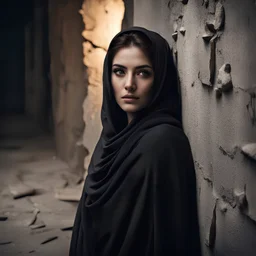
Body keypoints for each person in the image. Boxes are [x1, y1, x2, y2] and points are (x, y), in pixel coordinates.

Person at [69, 26, 202, 256]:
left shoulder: (163, 143)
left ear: (160, 78)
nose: (129, 84)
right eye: (119, 71)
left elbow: (169, 237)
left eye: (143, 73)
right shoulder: (111, 139)